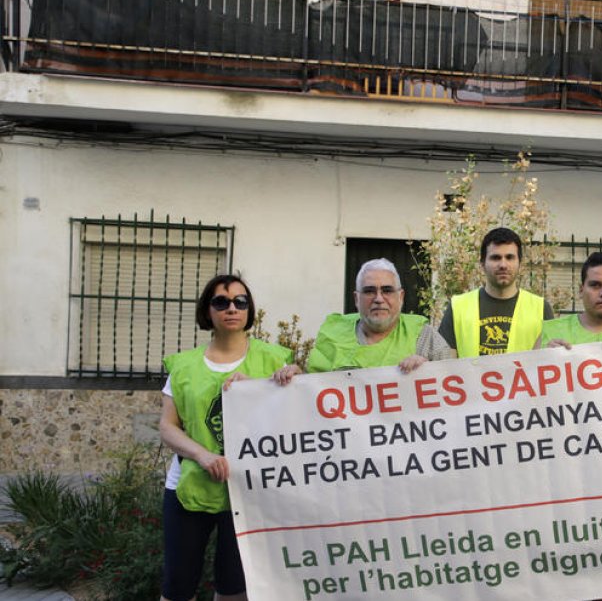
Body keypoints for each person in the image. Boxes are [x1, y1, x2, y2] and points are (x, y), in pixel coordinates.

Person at [158, 274, 292, 601]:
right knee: (177, 585)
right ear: (208, 310)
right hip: (189, 487)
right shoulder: (184, 366)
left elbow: (292, 416)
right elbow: (167, 426)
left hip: (247, 492)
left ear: (248, 310)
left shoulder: (275, 360)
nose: (232, 308)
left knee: (235, 586)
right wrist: (202, 455)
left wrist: (286, 381)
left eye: (240, 301)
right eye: (221, 301)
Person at [274, 258, 452, 381]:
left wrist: (430, 373)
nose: (379, 298)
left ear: (401, 297)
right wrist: (297, 381)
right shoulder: (332, 334)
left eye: (387, 290)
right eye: (369, 291)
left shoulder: (424, 337)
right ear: (356, 299)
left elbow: (452, 390)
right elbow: (313, 395)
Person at [438, 227, 554, 357]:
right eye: (495, 258)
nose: (503, 265)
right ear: (482, 263)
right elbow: (444, 367)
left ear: (520, 264)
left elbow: (547, 364)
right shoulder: (458, 307)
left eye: (510, 257)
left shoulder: (541, 308)